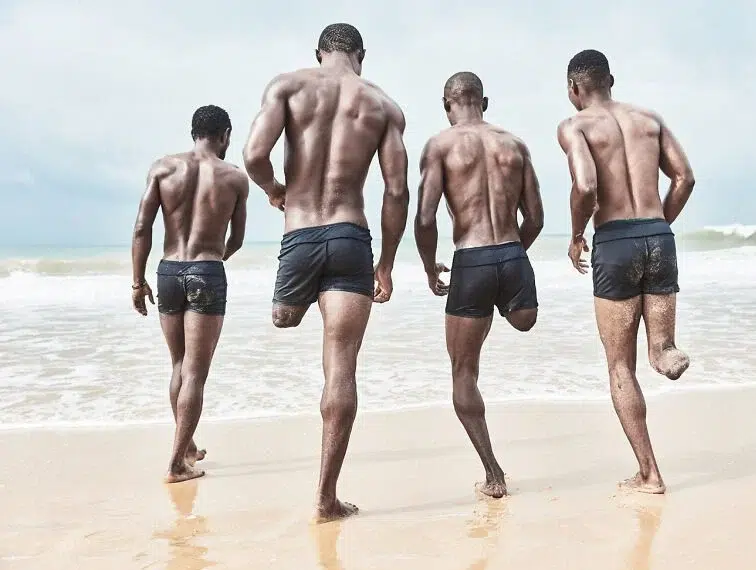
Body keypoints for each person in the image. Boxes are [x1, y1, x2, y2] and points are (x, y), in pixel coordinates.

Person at [241, 23, 409, 522]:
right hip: (350, 237)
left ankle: (291, 303)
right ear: (361, 56)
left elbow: (253, 155)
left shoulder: (287, 86)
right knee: (341, 365)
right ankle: (325, 497)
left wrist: (275, 190)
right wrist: (387, 262)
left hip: (299, 235)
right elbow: (397, 192)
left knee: (284, 318)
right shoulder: (383, 106)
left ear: (318, 53)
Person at [557, 50, 695, 494]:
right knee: (658, 348)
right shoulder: (649, 119)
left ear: (574, 90)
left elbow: (585, 185)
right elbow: (685, 178)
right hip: (658, 236)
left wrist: (578, 233)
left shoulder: (575, 125)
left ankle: (649, 474)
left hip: (614, 241)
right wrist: (658, 227)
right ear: (610, 80)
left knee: (620, 365)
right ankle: (666, 352)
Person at [415, 72, 544, 498]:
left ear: (446, 104)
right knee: (523, 321)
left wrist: (431, 269)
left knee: (463, 371)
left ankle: (494, 475)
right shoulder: (515, 144)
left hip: (470, 259)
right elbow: (536, 219)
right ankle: (510, 307)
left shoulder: (440, 146)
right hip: (512, 256)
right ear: (483, 102)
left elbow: (426, 218)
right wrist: (510, 260)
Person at [131, 105, 249, 484]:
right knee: (196, 373)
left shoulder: (163, 168)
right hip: (207, 271)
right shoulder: (234, 178)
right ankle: (176, 464)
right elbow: (238, 239)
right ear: (225, 134)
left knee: (179, 365)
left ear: (193, 132)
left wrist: (138, 282)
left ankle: (186, 445)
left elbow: (141, 228)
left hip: (167, 272)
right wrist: (213, 260)